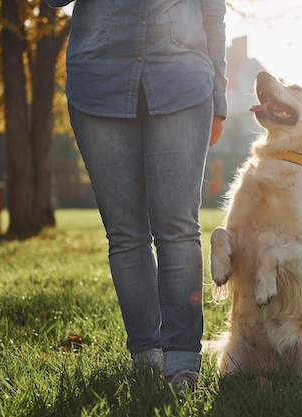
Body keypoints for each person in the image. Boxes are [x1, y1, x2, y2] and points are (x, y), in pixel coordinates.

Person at [44, 0, 228, 394]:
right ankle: (146, 358)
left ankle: (182, 363)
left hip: (182, 77)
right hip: (99, 79)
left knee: (178, 228)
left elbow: (212, 9)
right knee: (126, 234)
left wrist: (219, 92)